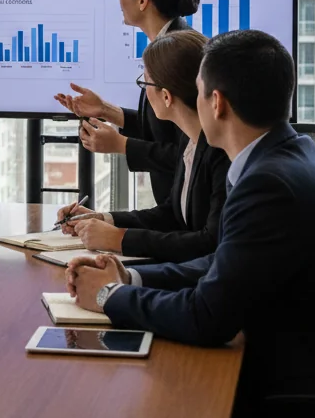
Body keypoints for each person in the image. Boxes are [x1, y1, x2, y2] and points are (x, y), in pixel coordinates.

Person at [67, 30, 315, 418]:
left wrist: (108, 295)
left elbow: (206, 318)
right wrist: (131, 276)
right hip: (297, 360)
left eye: (199, 90)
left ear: (217, 103)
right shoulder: (285, 155)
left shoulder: (267, 183)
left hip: (294, 392)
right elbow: (225, 262)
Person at [57, 30, 229, 263]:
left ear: (166, 96)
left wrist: (118, 239)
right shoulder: (190, 141)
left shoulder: (221, 151)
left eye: (145, 82)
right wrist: (103, 219)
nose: (144, 92)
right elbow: (171, 213)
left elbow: (210, 243)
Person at [54, 0, 199, 205]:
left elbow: (189, 152)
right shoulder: (168, 43)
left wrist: (122, 145)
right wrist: (106, 110)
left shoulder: (176, 55)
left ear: (142, 0)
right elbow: (163, 130)